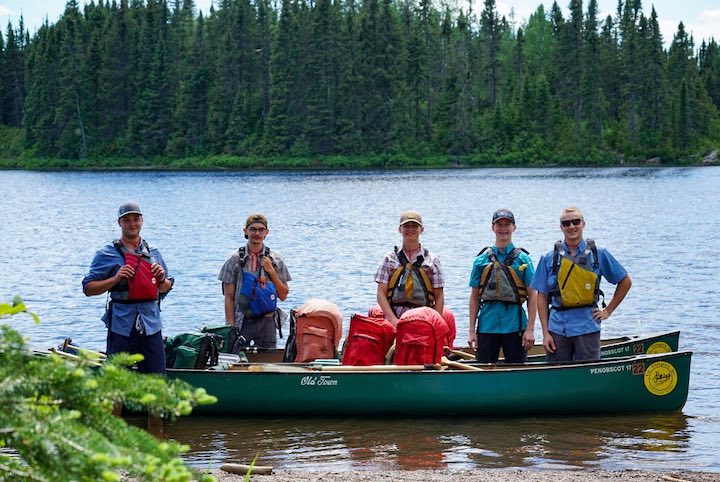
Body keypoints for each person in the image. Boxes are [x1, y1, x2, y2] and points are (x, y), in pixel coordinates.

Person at [82, 201, 174, 374]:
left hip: (151, 324)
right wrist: (116, 279)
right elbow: (88, 288)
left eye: (136, 219)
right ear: (119, 223)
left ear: (142, 221)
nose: (132, 224)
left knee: (156, 379)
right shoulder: (107, 253)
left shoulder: (153, 252)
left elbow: (165, 287)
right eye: (127, 220)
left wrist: (161, 279)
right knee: (117, 380)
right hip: (122, 326)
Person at [530, 206, 632, 361]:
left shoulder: (599, 253)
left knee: (588, 375)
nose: (571, 226)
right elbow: (542, 296)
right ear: (561, 227)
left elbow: (625, 281)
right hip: (557, 328)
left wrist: (608, 311)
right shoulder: (548, 258)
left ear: (583, 224)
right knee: (557, 376)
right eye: (566, 223)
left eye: (576, 222)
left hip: (588, 326)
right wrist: (545, 333)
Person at [468, 209, 537, 363]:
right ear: (492, 227)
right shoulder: (481, 260)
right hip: (487, 325)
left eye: (507, 224)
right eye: (499, 224)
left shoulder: (524, 259)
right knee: (484, 372)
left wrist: (530, 329)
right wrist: (472, 331)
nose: (503, 228)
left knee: (517, 372)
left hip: (515, 326)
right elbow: (474, 297)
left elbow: (533, 295)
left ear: (514, 227)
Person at [218, 213, 291, 348]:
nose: (257, 233)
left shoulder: (276, 259)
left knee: (268, 362)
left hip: (267, 321)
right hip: (243, 320)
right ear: (245, 231)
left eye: (261, 230)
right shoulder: (234, 259)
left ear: (266, 232)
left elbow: (283, 295)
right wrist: (231, 327)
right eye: (253, 229)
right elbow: (229, 297)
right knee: (237, 358)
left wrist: (271, 271)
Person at [374, 210, 444, 325]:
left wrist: (434, 323)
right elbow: (381, 293)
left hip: (424, 318)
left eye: (414, 226)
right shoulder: (389, 259)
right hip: (395, 316)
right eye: (406, 226)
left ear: (421, 230)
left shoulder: (432, 260)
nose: (410, 229)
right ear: (399, 229)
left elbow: (439, 296)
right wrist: (393, 321)